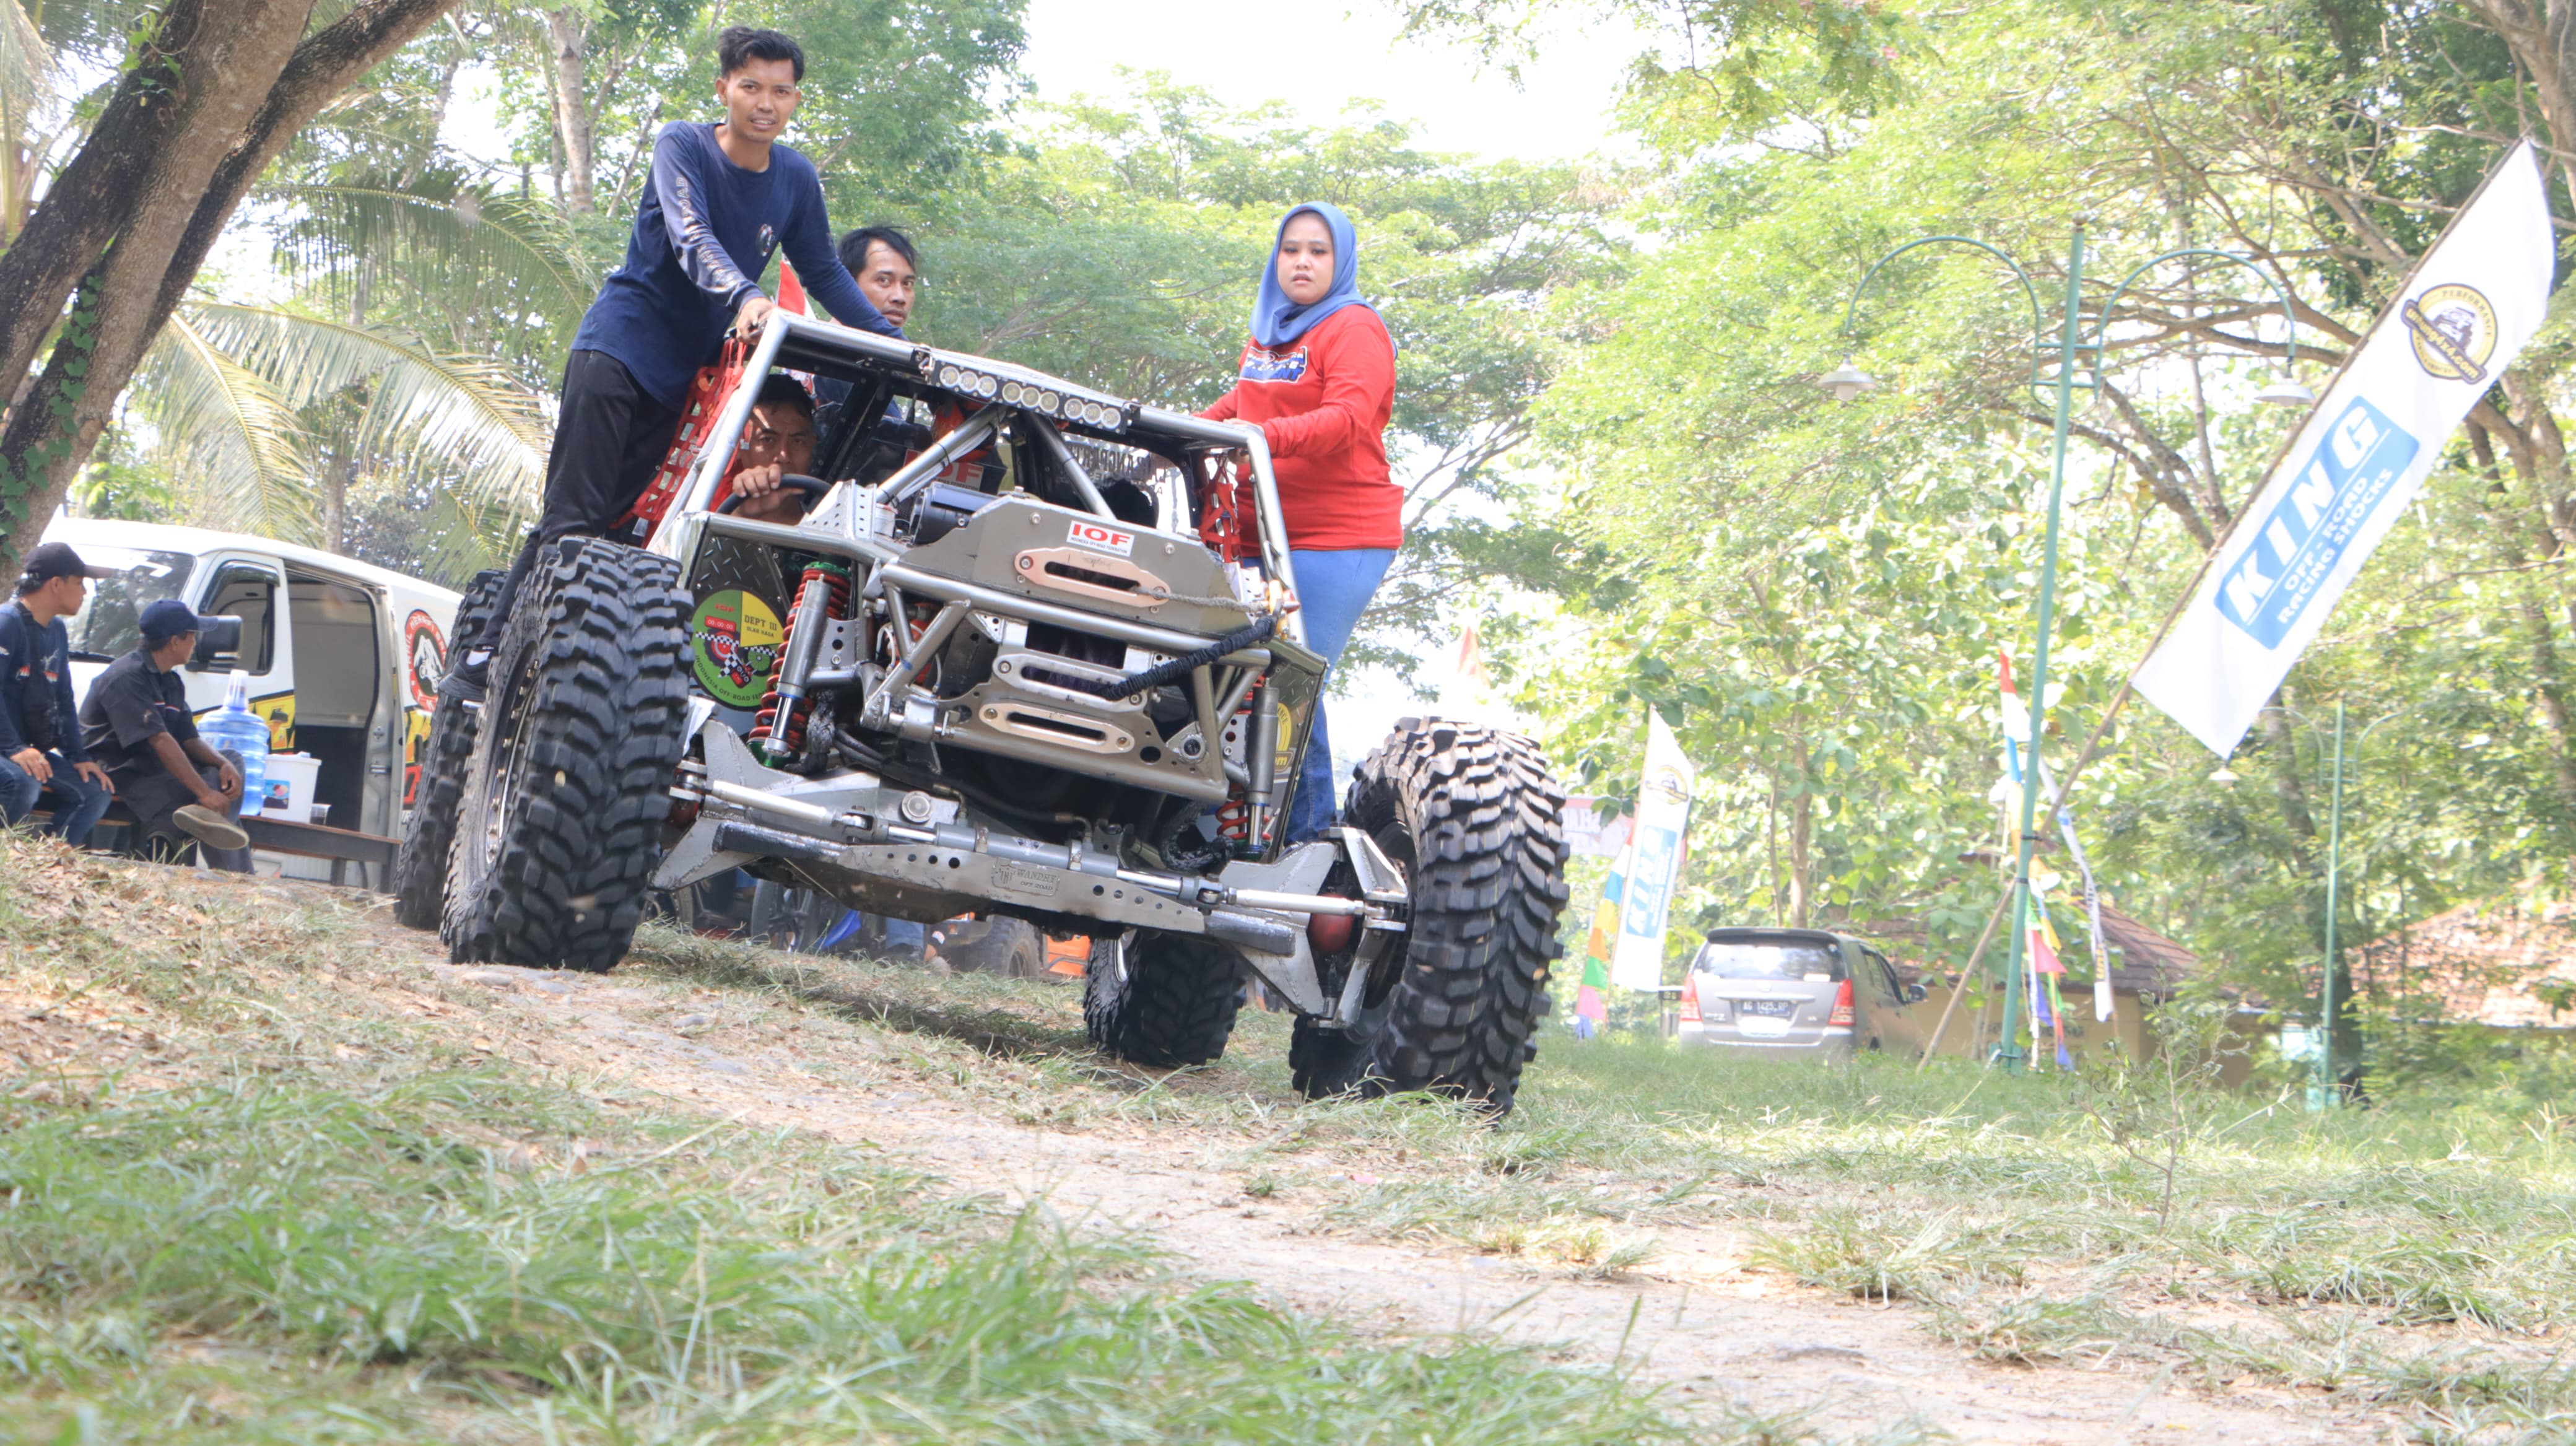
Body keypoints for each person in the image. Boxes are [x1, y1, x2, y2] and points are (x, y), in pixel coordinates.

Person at [448, 24, 900, 702]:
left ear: (795, 99)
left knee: (624, 520)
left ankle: (565, 666)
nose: (765, 104)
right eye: (750, 87)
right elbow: (691, 238)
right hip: (619, 350)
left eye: (780, 91)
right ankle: (493, 654)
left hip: (682, 378)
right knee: (575, 515)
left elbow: (828, 276)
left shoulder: (796, 179)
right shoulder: (682, 146)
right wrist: (745, 295)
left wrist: (902, 357)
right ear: (724, 89)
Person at [1199, 201, 1400, 843]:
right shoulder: (1269, 332)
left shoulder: (1353, 327)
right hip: (1261, 534)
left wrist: (1259, 436)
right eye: (1290, 250)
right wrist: (1162, 429)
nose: (1302, 262)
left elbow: (1346, 419)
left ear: (1339, 261)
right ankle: (1234, 833)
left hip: (1335, 537)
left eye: (1318, 251)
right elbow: (1239, 404)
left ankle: (1309, 844)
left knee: (1288, 679)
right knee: (1240, 677)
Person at [79, 599, 251, 867]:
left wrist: (223, 763)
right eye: (193, 637)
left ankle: (209, 824)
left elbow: (189, 739)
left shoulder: (171, 681)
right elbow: (160, 740)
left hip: (157, 768)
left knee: (232, 760)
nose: (195, 643)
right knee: (203, 792)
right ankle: (236, 874)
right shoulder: (126, 676)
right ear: (174, 641)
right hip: (124, 770)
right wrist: (205, 794)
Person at [0, 542, 115, 845]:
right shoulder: (6, 622)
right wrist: (14, 748)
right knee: (24, 783)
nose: (84, 592)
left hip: (24, 750)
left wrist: (78, 757)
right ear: (55, 584)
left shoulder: (57, 631)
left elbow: (63, 698)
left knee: (94, 791)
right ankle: (9, 865)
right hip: (8, 749)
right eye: (79, 583)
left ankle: (49, 864)